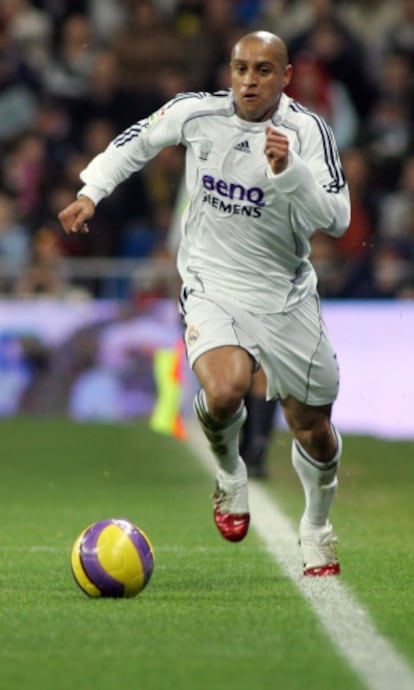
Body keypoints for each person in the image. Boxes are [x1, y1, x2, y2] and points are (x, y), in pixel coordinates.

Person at [58, 31, 351, 577]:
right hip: (211, 283)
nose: (249, 80)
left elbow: (336, 218)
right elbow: (138, 141)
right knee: (223, 391)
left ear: (285, 77)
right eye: (241, 68)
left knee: (313, 427)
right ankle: (231, 476)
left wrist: (290, 175)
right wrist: (90, 191)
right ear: (230, 70)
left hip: (285, 294)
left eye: (264, 70)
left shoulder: (307, 131)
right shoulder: (197, 113)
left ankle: (316, 526)